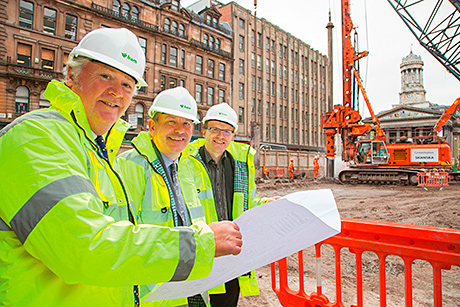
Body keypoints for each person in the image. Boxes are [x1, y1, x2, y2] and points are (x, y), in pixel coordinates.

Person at [0, 28, 241, 306]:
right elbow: (85, 249)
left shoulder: (99, 153)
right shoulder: (36, 137)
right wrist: (202, 244)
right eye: (105, 76)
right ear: (71, 76)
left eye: (128, 85)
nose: (116, 92)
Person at [115, 87, 231, 306]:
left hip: (191, 287)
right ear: (151, 126)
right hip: (154, 295)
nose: (180, 130)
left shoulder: (187, 168)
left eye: (187, 124)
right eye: (171, 122)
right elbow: (123, 240)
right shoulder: (127, 166)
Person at [184, 103, 280, 307]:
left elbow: (248, 202)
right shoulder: (186, 162)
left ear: (234, 135)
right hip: (201, 246)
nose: (221, 136)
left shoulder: (240, 165)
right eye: (215, 129)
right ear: (204, 131)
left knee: (226, 302)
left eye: (227, 131)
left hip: (229, 250)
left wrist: (266, 205)